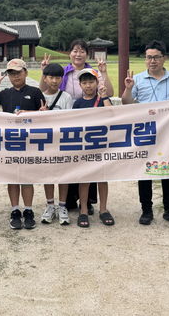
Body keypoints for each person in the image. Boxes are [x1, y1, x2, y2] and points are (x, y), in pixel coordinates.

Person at [122, 40, 169, 226]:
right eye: (149, 57)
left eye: (156, 57)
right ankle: (146, 209)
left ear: (164, 58)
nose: (152, 61)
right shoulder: (137, 79)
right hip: (145, 132)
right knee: (144, 169)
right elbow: (126, 103)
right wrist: (128, 89)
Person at [39, 39, 113, 213]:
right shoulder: (64, 71)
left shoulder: (93, 72)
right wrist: (44, 71)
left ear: (87, 54)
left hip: (89, 119)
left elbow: (108, 93)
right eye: (75, 50)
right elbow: (43, 90)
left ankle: (87, 202)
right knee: (71, 159)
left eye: (82, 51)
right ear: (70, 53)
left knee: (89, 161)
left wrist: (103, 72)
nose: (78, 54)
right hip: (67, 117)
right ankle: (71, 198)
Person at [0, 58, 46, 230]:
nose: (15, 76)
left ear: (25, 72)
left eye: (18, 72)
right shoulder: (5, 93)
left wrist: (38, 113)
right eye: (12, 74)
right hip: (10, 142)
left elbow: (44, 114)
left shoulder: (35, 92)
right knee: (12, 178)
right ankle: (15, 210)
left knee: (26, 178)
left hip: (29, 142)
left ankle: (28, 210)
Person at [72, 68, 115, 228]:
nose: (88, 85)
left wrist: (104, 96)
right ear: (80, 85)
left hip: (102, 145)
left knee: (102, 178)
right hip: (84, 146)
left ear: (97, 83)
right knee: (85, 180)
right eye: (84, 82)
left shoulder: (103, 99)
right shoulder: (78, 103)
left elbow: (113, 115)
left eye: (91, 82)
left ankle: (103, 209)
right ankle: (83, 210)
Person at [38, 63, 73, 226]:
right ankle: (50, 204)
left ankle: (62, 206)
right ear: (45, 78)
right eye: (51, 77)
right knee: (47, 174)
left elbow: (68, 120)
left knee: (63, 174)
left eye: (58, 77)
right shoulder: (39, 96)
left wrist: (49, 116)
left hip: (62, 141)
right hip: (45, 143)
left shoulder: (66, 97)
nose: (54, 81)